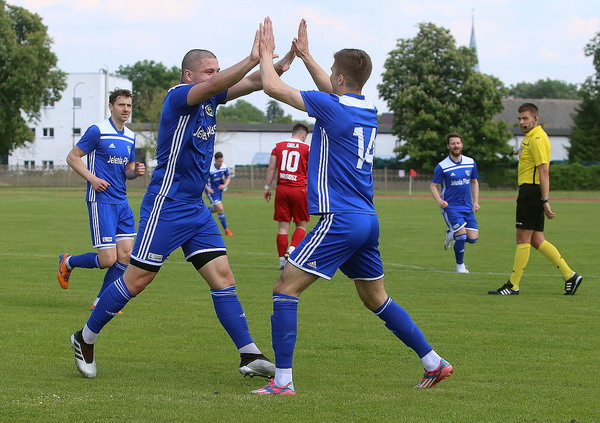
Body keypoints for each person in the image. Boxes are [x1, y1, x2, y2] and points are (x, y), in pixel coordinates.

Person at [69, 25, 296, 380]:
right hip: (167, 204)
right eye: (209, 71)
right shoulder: (178, 96)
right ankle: (85, 337)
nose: (215, 75)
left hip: (195, 208)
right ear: (189, 75)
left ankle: (248, 353)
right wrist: (252, 57)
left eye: (217, 70)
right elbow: (221, 82)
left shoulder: (211, 97)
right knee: (137, 279)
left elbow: (254, 82)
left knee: (223, 277)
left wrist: (277, 62)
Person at [251, 18, 452, 396]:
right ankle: (434, 362)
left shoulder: (332, 106)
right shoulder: (367, 110)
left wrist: (265, 53)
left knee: (284, 289)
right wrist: (307, 56)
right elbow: (333, 90)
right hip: (366, 219)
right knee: (375, 298)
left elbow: (272, 85)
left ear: (340, 78)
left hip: (339, 219)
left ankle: (283, 382)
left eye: (332, 72)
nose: (328, 77)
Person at [58, 89, 145, 310]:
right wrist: (92, 179)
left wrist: (135, 171)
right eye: (121, 105)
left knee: (125, 255)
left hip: (122, 201)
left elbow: (127, 169)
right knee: (107, 259)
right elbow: (72, 157)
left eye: (129, 105)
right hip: (101, 200)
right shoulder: (98, 131)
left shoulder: (130, 136)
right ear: (111, 107)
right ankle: (68, 262)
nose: (126, 109)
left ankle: (100, 302)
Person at [488, 103, 583, 295]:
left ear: (535, 119)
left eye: (525, 118)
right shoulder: (531, 137)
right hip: (531, 191)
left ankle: (513, 286)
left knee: (522, 238)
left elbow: (544, 170)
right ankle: (570, 276)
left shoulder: (537, 139)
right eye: (519, 119)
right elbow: (530, 155)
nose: (522, 122)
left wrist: (545, 200)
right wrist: (519, 152)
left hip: (531, 192)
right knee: (537, 239)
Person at [430, 133, 480, 273]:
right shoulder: (442, 166)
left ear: (462, 144)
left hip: (467, 206)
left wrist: (476, 201)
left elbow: (474, 182)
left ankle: (451, 234)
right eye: (452, 143)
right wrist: (439, 201)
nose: (456, 145)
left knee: (473, 238)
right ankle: (460, 267)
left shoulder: (470, 162)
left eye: (458, 143)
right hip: (450, 207)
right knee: (462, 236)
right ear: (448, 146)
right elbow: (433, 185)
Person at [263, 123, 310, 269]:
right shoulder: (307, 148)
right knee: (302, 225)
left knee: (283, 228)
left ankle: (282, 263)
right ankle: (292, 250)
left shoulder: (278, 146)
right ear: (303, 135)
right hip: (299, 189)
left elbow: (271, 169)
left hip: (282, 190)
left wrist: (267, 187)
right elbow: (312, 170)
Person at [205, 151, 233, 236]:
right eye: (219, 161)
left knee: (216, 209)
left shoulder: (224, 166)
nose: (221, 163)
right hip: (212, 191)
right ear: (215, 160)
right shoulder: (210, 168)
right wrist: (207, 189)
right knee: (220, 208)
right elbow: (203, 180)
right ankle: (227, 230)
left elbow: (228, 177)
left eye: (222, 161)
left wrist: (225, 185)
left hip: (219, 191)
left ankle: (202, 212)